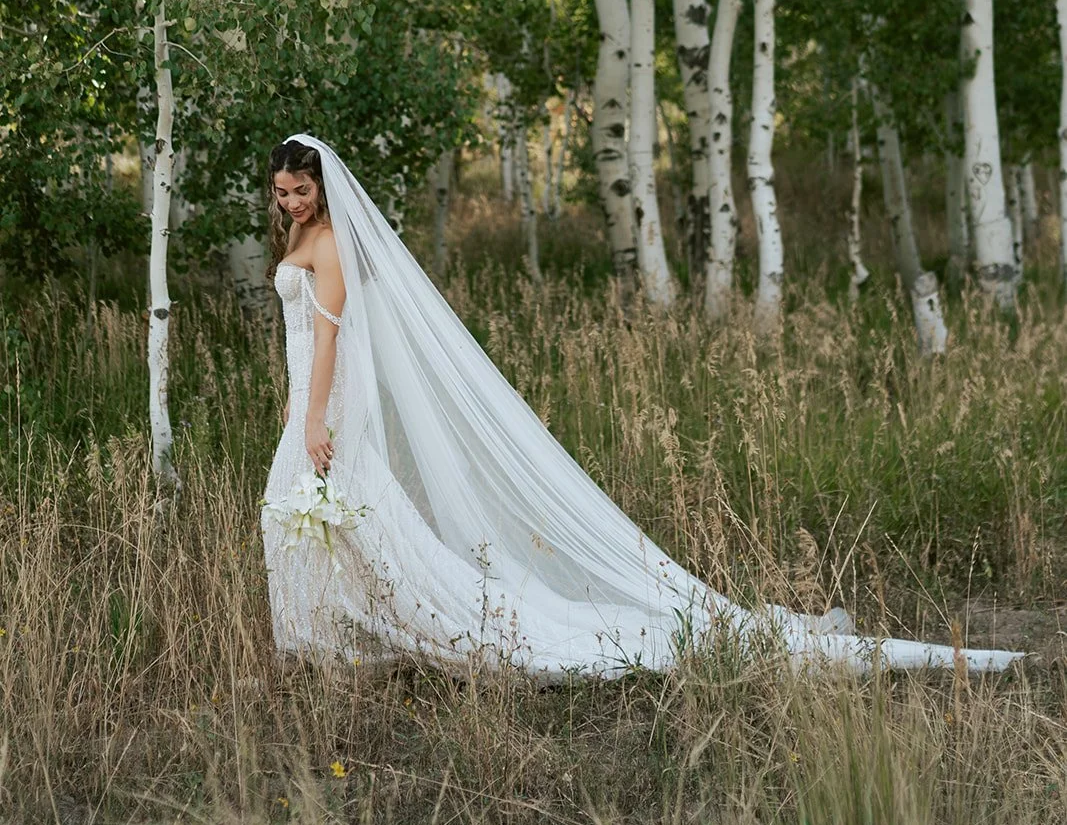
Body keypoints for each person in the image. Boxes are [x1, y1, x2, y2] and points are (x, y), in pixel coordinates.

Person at [260, 133, 1021, 679]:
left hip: (326, 401)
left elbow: (327, 344)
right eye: (282, 192)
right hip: (313, 400)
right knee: (326, 513)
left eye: (303, 190)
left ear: (325, 188)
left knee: (337, 507)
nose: (292, 202)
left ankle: (388, 627)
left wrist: (315, 419)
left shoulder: (330, 246)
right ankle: (343, 632)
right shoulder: (307, 239)